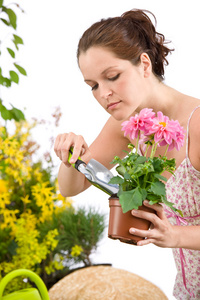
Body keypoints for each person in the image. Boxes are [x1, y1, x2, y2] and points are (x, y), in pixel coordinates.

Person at [54, 9, 200, 299]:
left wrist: (175, 236)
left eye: (112, 76)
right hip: (188, 291)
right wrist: (70, 156)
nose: (103, 93)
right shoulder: (127, 124)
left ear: (144, 64)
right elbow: (70, 187)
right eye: (93, 85)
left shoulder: (196, 124)